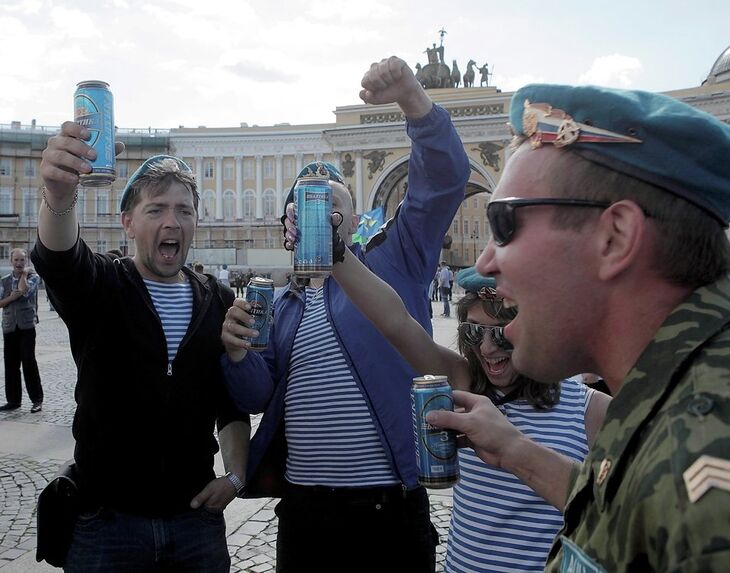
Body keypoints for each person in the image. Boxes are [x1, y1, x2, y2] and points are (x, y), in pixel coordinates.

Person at [426, 84, 730, 570]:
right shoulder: (678, 399)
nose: (485, 262)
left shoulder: (715, 447)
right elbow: (632, 509)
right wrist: (515, 452)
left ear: (615, 237)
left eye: (503, 224)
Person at [220, 55, 470, 572]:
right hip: (306, 512)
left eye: (332, 207)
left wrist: (412, 97)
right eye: (303, 209)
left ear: (355, 220)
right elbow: (255, 395)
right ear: (288, 227)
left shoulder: (394, 259)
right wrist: (236, 351)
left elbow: (443, 180)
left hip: (388, 508)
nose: (318, 219)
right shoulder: (282, 306)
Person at [317, 244, 611, 571]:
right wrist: (336, 253)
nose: (486, 348)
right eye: (472, 331)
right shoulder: (464, 381)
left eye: (501, 335)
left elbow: (626, 518)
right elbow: (395, 323)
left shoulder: (593, 411)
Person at [33, 144, 250, 572]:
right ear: (128, 223)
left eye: (184, 211)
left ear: (195, 222)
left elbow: (230, 402)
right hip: (106, 526)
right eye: (156, 210)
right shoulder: (103, 286)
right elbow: (61, 260)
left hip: (195, 525)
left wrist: (236, 477)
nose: (172, 221)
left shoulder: (219, 300)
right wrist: (59, 198)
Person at [0, 248, 43, 413]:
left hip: (26, 326)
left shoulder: (33, 277)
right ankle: (13, 400)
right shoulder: (4, 280)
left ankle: (37, 399)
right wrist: (11, 297)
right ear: (11, 261)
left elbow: (25, 292)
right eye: (16, 260)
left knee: (28, 362)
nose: (19, 263)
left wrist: (24, 276)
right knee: (10, 364)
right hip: (9, 326)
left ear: (26, 262)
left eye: (22, 260)